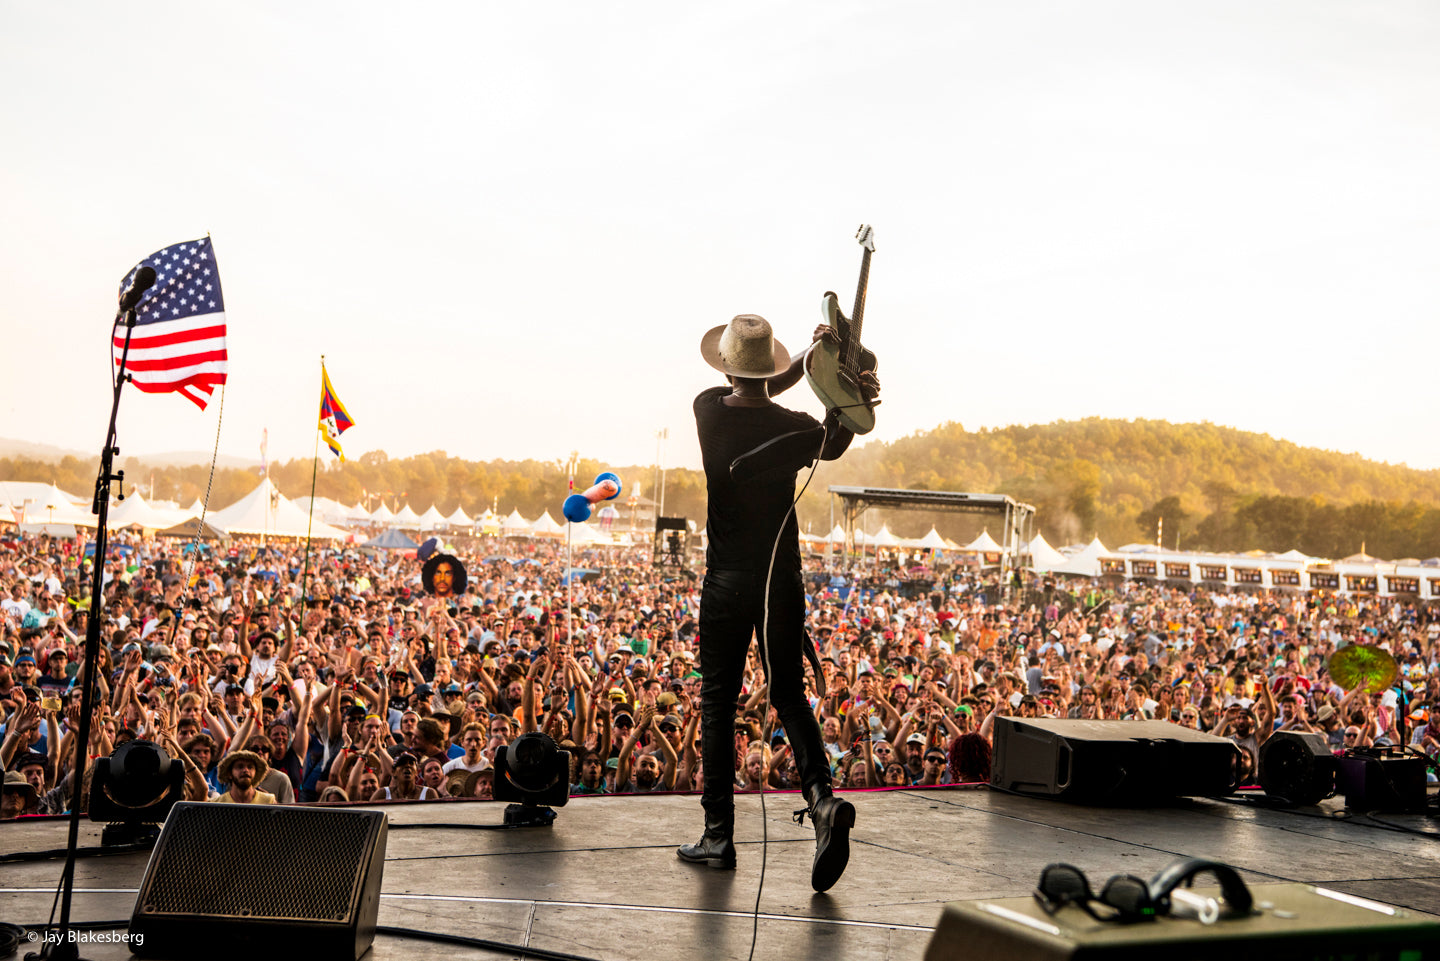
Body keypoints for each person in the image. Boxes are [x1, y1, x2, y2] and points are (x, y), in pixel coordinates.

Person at [678, 313, 877, 893]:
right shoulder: (796, 428)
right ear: (771, 369)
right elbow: (834, 439)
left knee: (718, 701)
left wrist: (811, 367)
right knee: (788, 694)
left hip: (726, 582)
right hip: (780, 581)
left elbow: (753, 394)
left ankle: (718, 835)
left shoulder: (707, 410)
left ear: (726, 366)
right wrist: (839, 379)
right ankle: (821, 802)